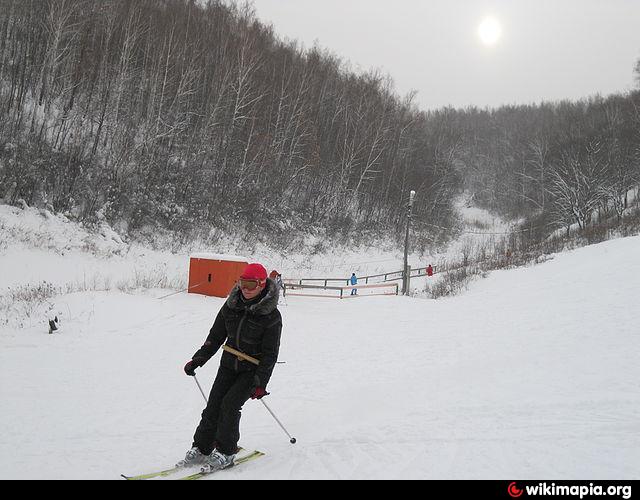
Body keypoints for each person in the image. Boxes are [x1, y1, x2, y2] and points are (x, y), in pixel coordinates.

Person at [178, 263, 282, 473]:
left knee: (230, 406)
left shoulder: (271, 316)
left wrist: (261, 383)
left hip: (251, 370)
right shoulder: (231, 305)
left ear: (262, 284)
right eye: (243, 283)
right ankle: (202, 447)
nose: (246, 288)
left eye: (251, 284)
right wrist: (198, 359)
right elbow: (215, 337)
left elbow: (271, 354)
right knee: (213, 405)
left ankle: (226, 452)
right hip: (228, 365)